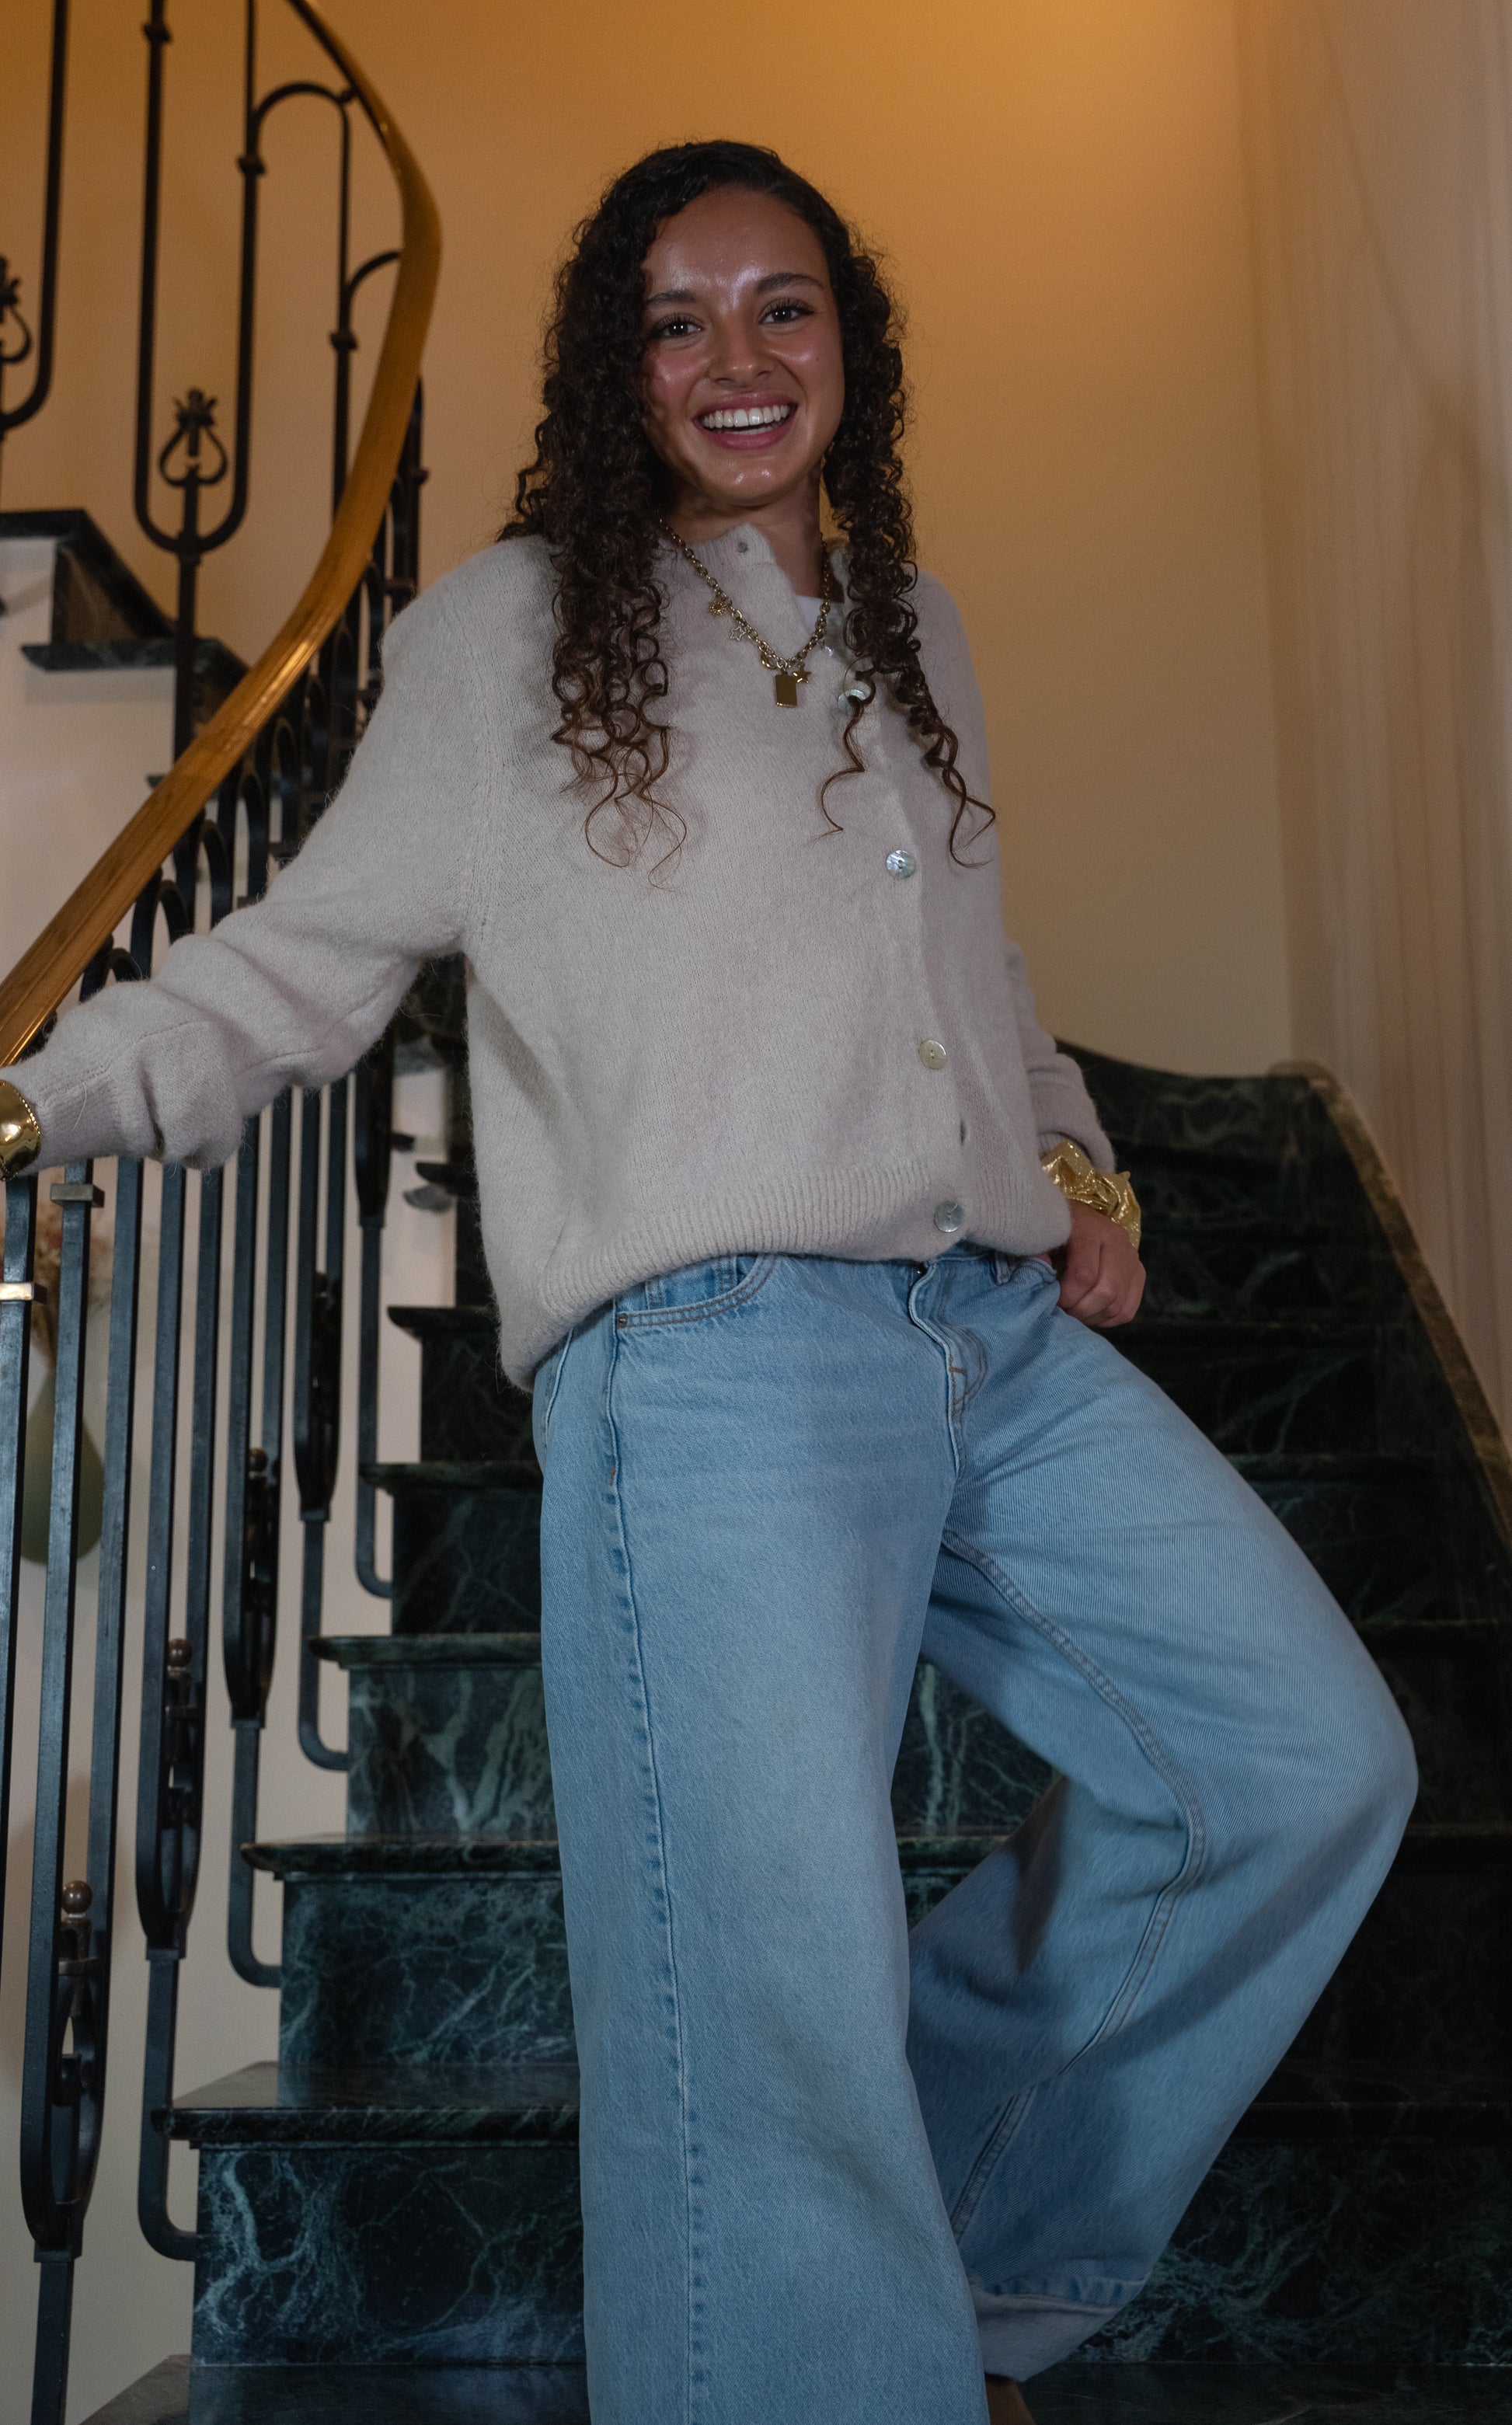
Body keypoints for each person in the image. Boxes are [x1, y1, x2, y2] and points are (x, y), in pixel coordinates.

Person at [0, 141, 1416, 2425]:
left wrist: (1072, 1159)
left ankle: (934, 2296)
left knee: (1296, 1758)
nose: (736, 358)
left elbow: (979, 959)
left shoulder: (915, 622)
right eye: (676, 319)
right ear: (615, 367)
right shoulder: (510, 629)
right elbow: (301, 961)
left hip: (982, 1331)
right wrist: (31, 1105)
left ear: (852, 341)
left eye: (783, 306)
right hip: (714, 1367)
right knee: (767, 2001)